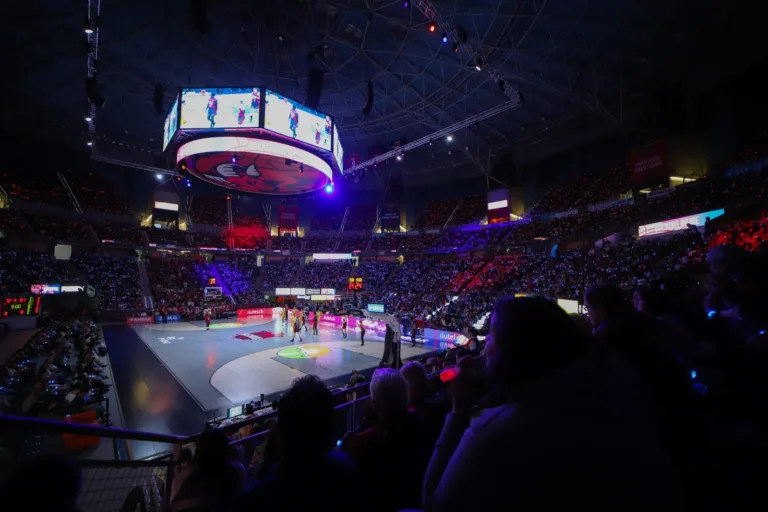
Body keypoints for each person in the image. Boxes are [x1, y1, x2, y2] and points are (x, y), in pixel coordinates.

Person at [421, 296, 687, 512]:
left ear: (515, 349)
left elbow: (435, 503)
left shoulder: (501, 429)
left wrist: (458, 412)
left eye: (493, 335)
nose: (486, 343)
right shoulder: (614, 382)